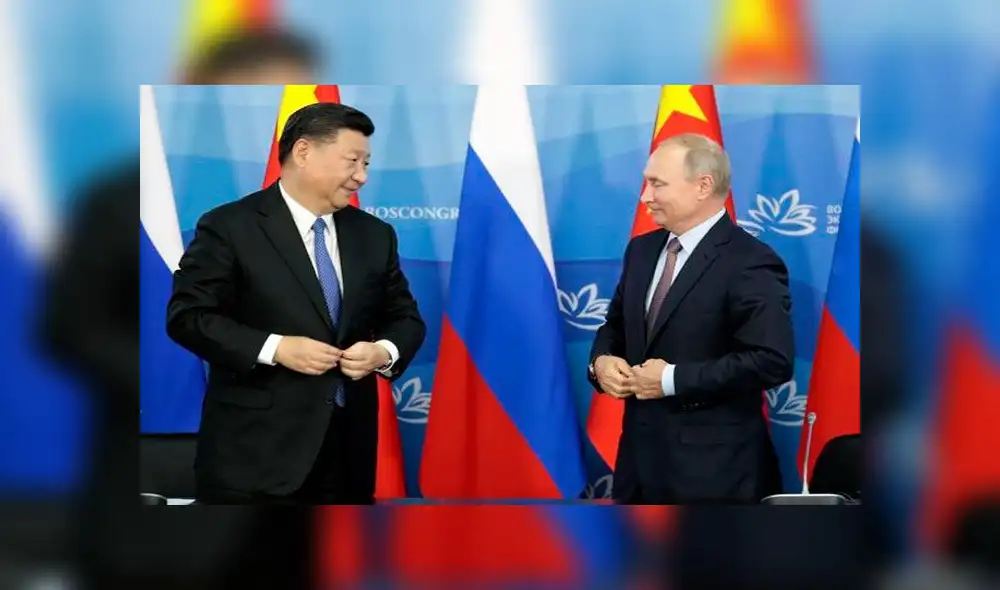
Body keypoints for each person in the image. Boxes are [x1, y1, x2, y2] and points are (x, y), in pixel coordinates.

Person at [166, 101, 426, 505]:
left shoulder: (375, 234)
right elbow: (189, 317)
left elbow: (404, 317)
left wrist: (382, 351)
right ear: (303, 152)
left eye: (367, 164)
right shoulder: (229, 227)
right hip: (255, 459)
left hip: (348, 458)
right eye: (353, 161)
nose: (362, 176)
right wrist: (276, 348)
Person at [587, 133, 793, 504]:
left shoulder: (749, 261)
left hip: (716, 475)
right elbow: (614, 325)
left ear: (703, 186)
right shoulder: (642, 250)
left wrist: (671, 379)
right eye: (646, 182)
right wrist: (601, 362)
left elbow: (771, 360)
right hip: (637, 467)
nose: (645, 197)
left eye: (657, 184)